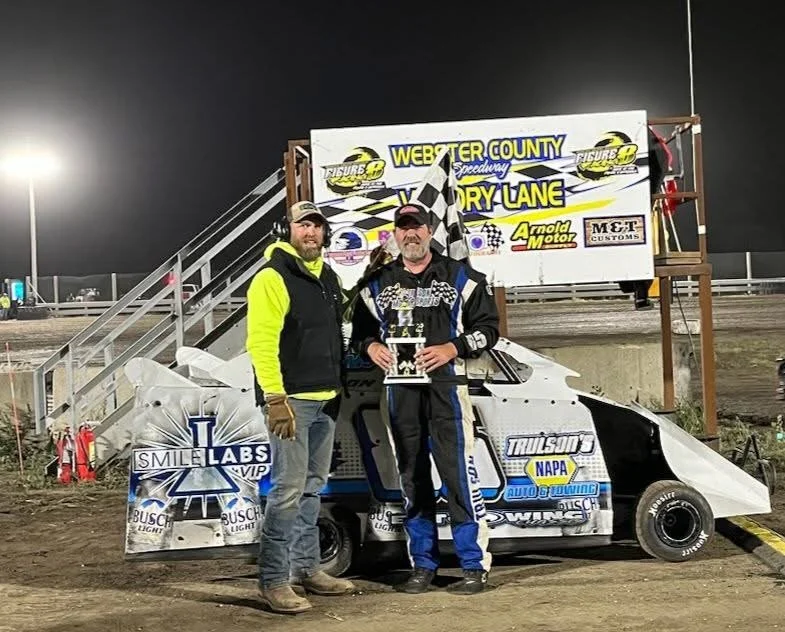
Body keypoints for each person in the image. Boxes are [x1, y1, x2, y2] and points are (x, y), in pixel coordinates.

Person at [351, 202, 500, 595]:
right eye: (403, 228)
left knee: (457, 476)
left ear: (430, 230)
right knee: (411, 480)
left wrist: (453, 348)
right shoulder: (376, 284)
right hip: (400, 393)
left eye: (417, 226)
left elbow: (489, 330)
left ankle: (473, 565)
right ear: (395, 234)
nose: (410, 234)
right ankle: (424, 565)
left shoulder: (461, 277)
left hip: (447, 390)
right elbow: (359, 335)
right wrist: (371, 349)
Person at [246, 200, 354, 614]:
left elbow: (334, 320)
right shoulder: (272, 277)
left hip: (326, 398)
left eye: (316, 226)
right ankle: (273, 580)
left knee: (311, 488)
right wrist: (275, 398)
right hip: (291, 402)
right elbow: (261, 343)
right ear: (287, 230)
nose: (310, 233)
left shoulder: (326, 276)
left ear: (324, 233)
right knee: (288, 491)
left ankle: (307, 568)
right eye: (302, 225)